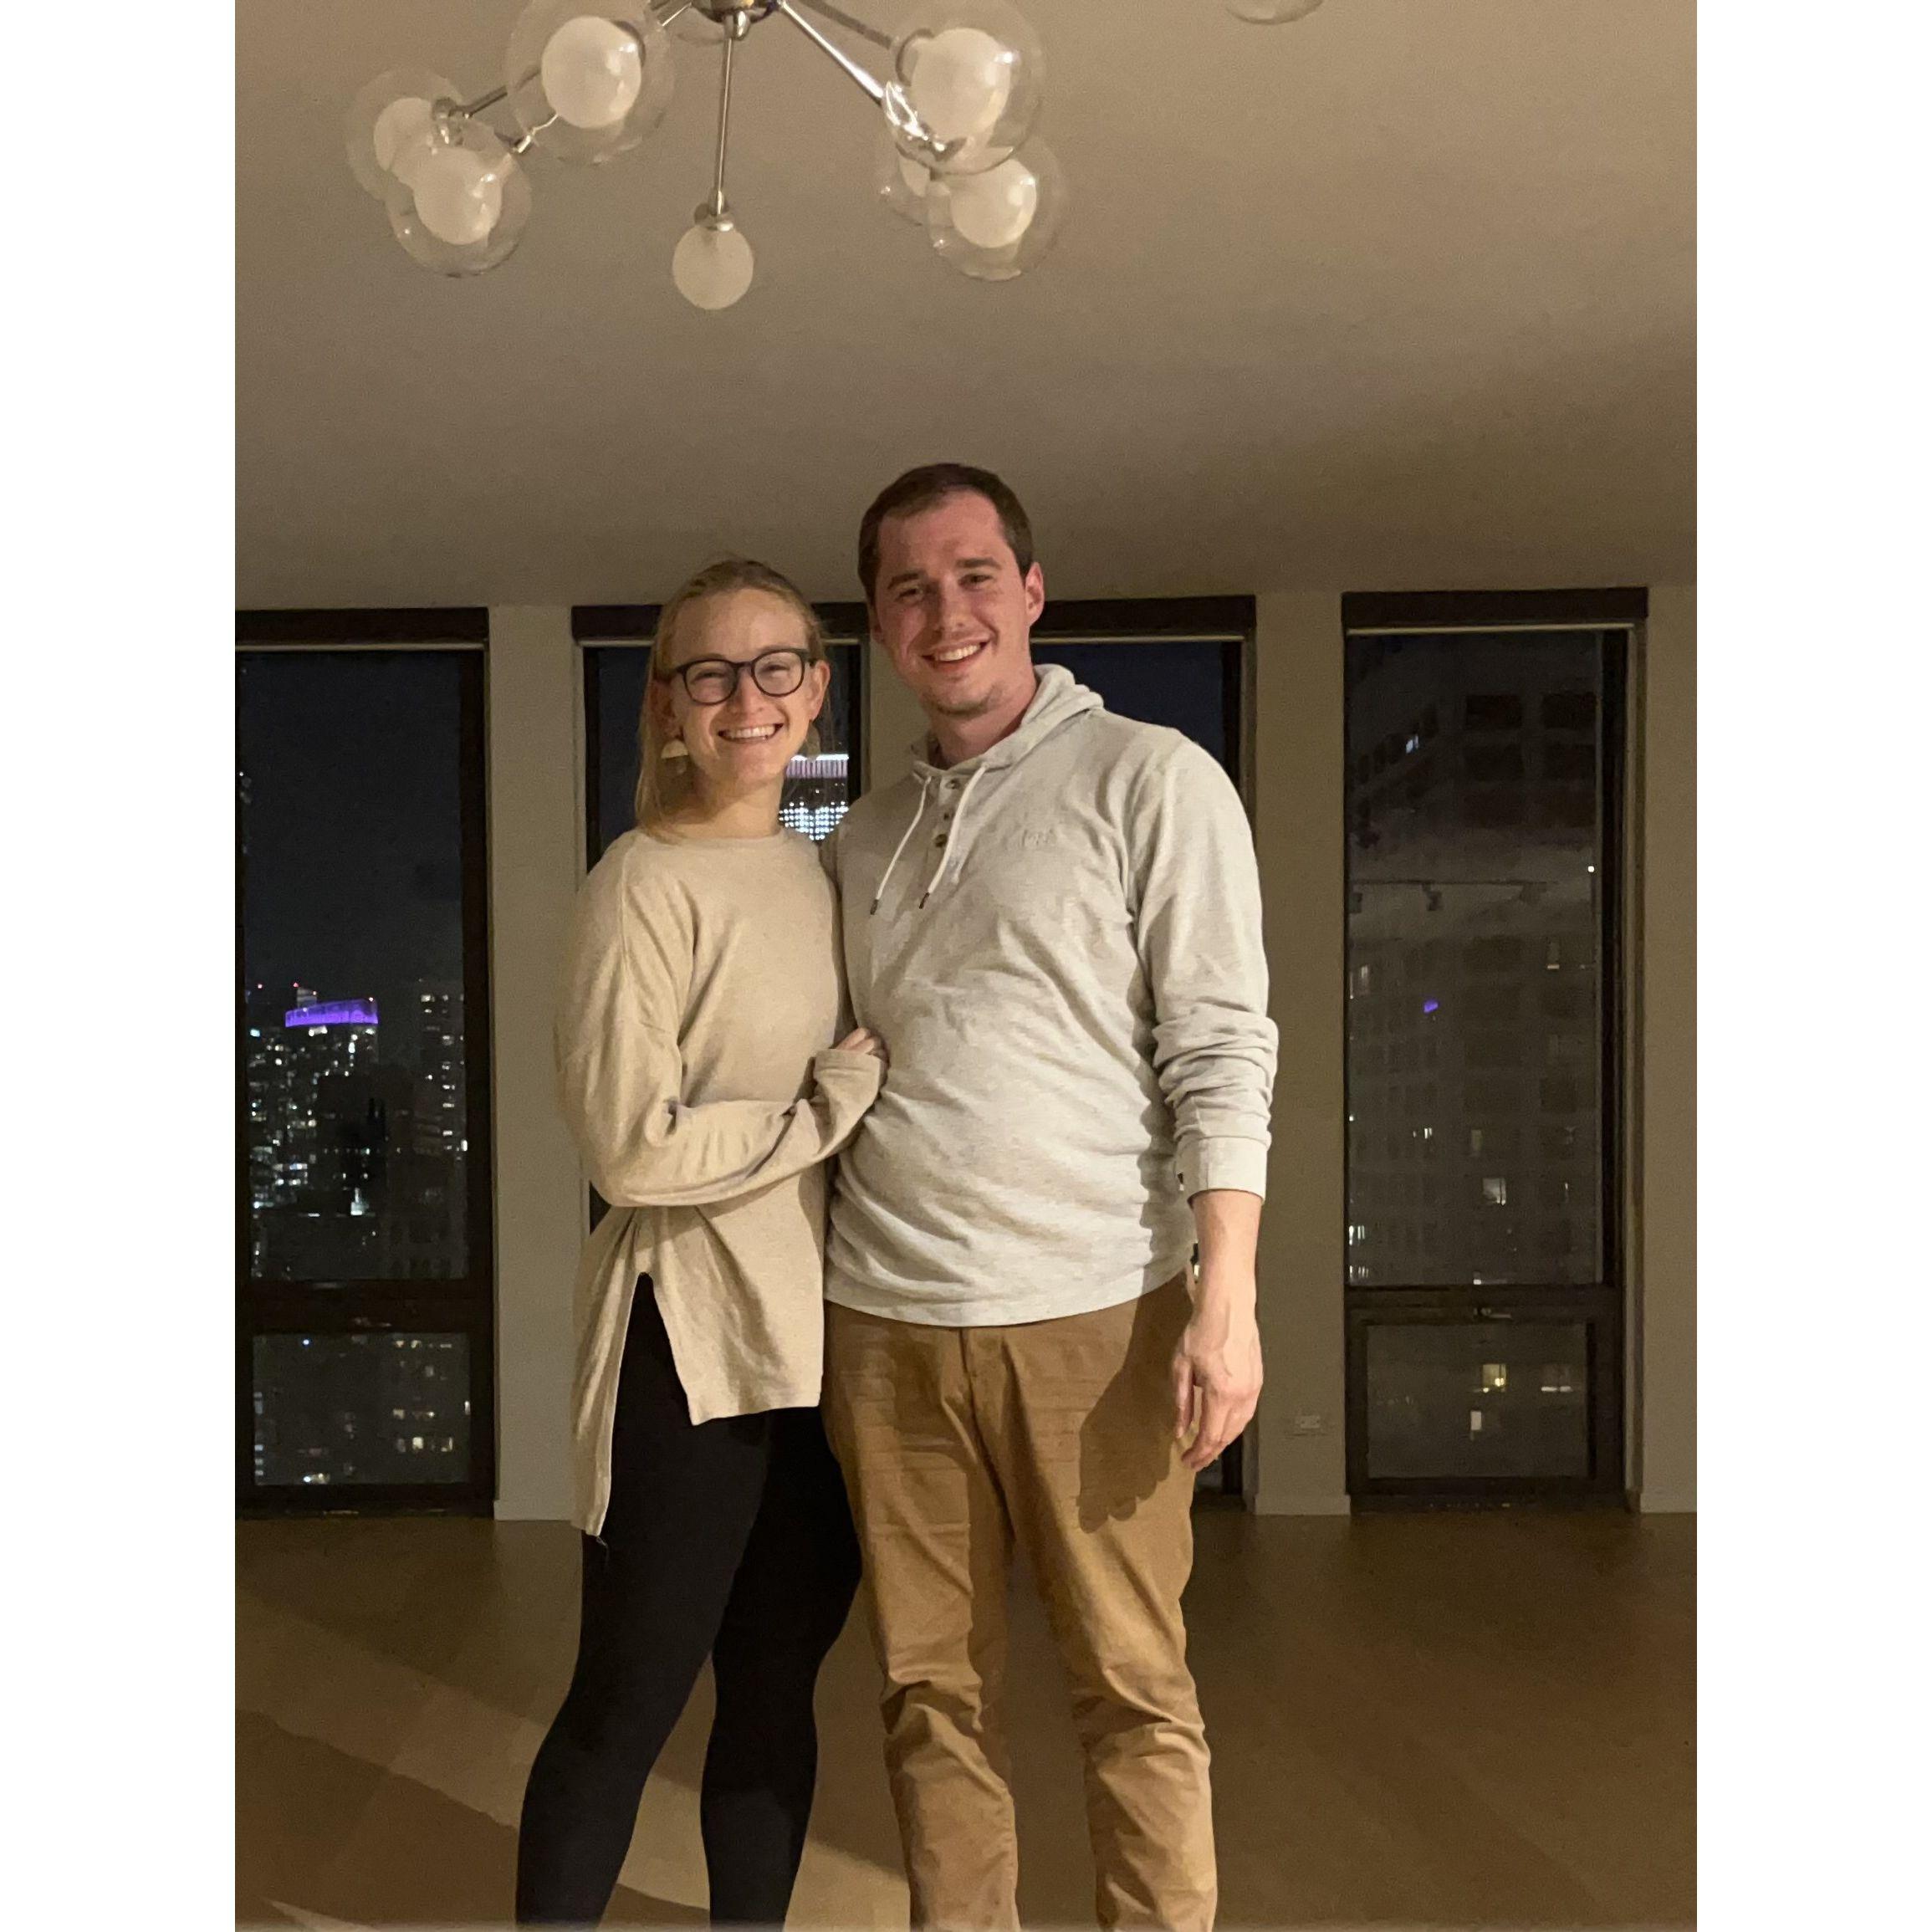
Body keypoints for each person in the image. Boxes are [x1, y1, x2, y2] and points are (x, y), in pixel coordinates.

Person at [820, 465, 1278, 1932]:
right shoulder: (862, 838)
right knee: (926, 1696)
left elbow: (1220, 1045)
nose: (944, 609)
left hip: (1098, 1314)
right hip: (881, 1323)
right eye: (908, 587)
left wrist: (1226, 1297)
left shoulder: (1150, 778)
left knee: (1133, 1690)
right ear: (879, 625)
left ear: (1029, 590)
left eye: (972, 575)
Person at [515, 557, 887, 1928]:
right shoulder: (640, 884)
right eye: (711, 674)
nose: (747, 699)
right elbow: (630, 1149)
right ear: (666, 703)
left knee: (776, 1698)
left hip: (822, 1351)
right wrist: (817, 1111)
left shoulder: (829, 875)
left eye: (774, 667)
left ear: (816, 689)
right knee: (624, 1705)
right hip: (687, 1345)